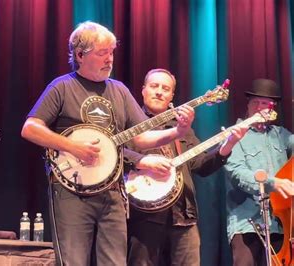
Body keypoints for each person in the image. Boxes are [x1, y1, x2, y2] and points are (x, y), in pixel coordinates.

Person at [21, 22, 195, 266]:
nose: (110, 59)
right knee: (73, 261)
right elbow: (30, 128)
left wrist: (178, 131)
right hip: (72, 191)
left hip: (113, 192)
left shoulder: (119, 90)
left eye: (111, 52)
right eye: (102, 53)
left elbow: (140, 139)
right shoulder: (62, 86)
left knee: (114, 262)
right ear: (80, 55)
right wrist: (73, 147)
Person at [125, 68, 247, 266]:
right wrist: (142, 161)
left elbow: (200, 165)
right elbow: (118, 156)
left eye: (165, 88)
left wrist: (228, 145)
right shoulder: (130, 124)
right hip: (144, 217)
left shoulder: (181, 127)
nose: (159, 92)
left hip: (183, 215)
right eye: (154, 86)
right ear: (143, 90)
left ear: (172, 96)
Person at [224, 78, 294, 265]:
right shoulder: (234, 134)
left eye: (266, 103)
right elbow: (237, 173)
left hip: (280, 224)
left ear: (273, 109)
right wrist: (272, 183)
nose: (260, 107)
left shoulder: (281, 134)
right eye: (256, 102)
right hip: (247, 222)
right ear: (248, 104)